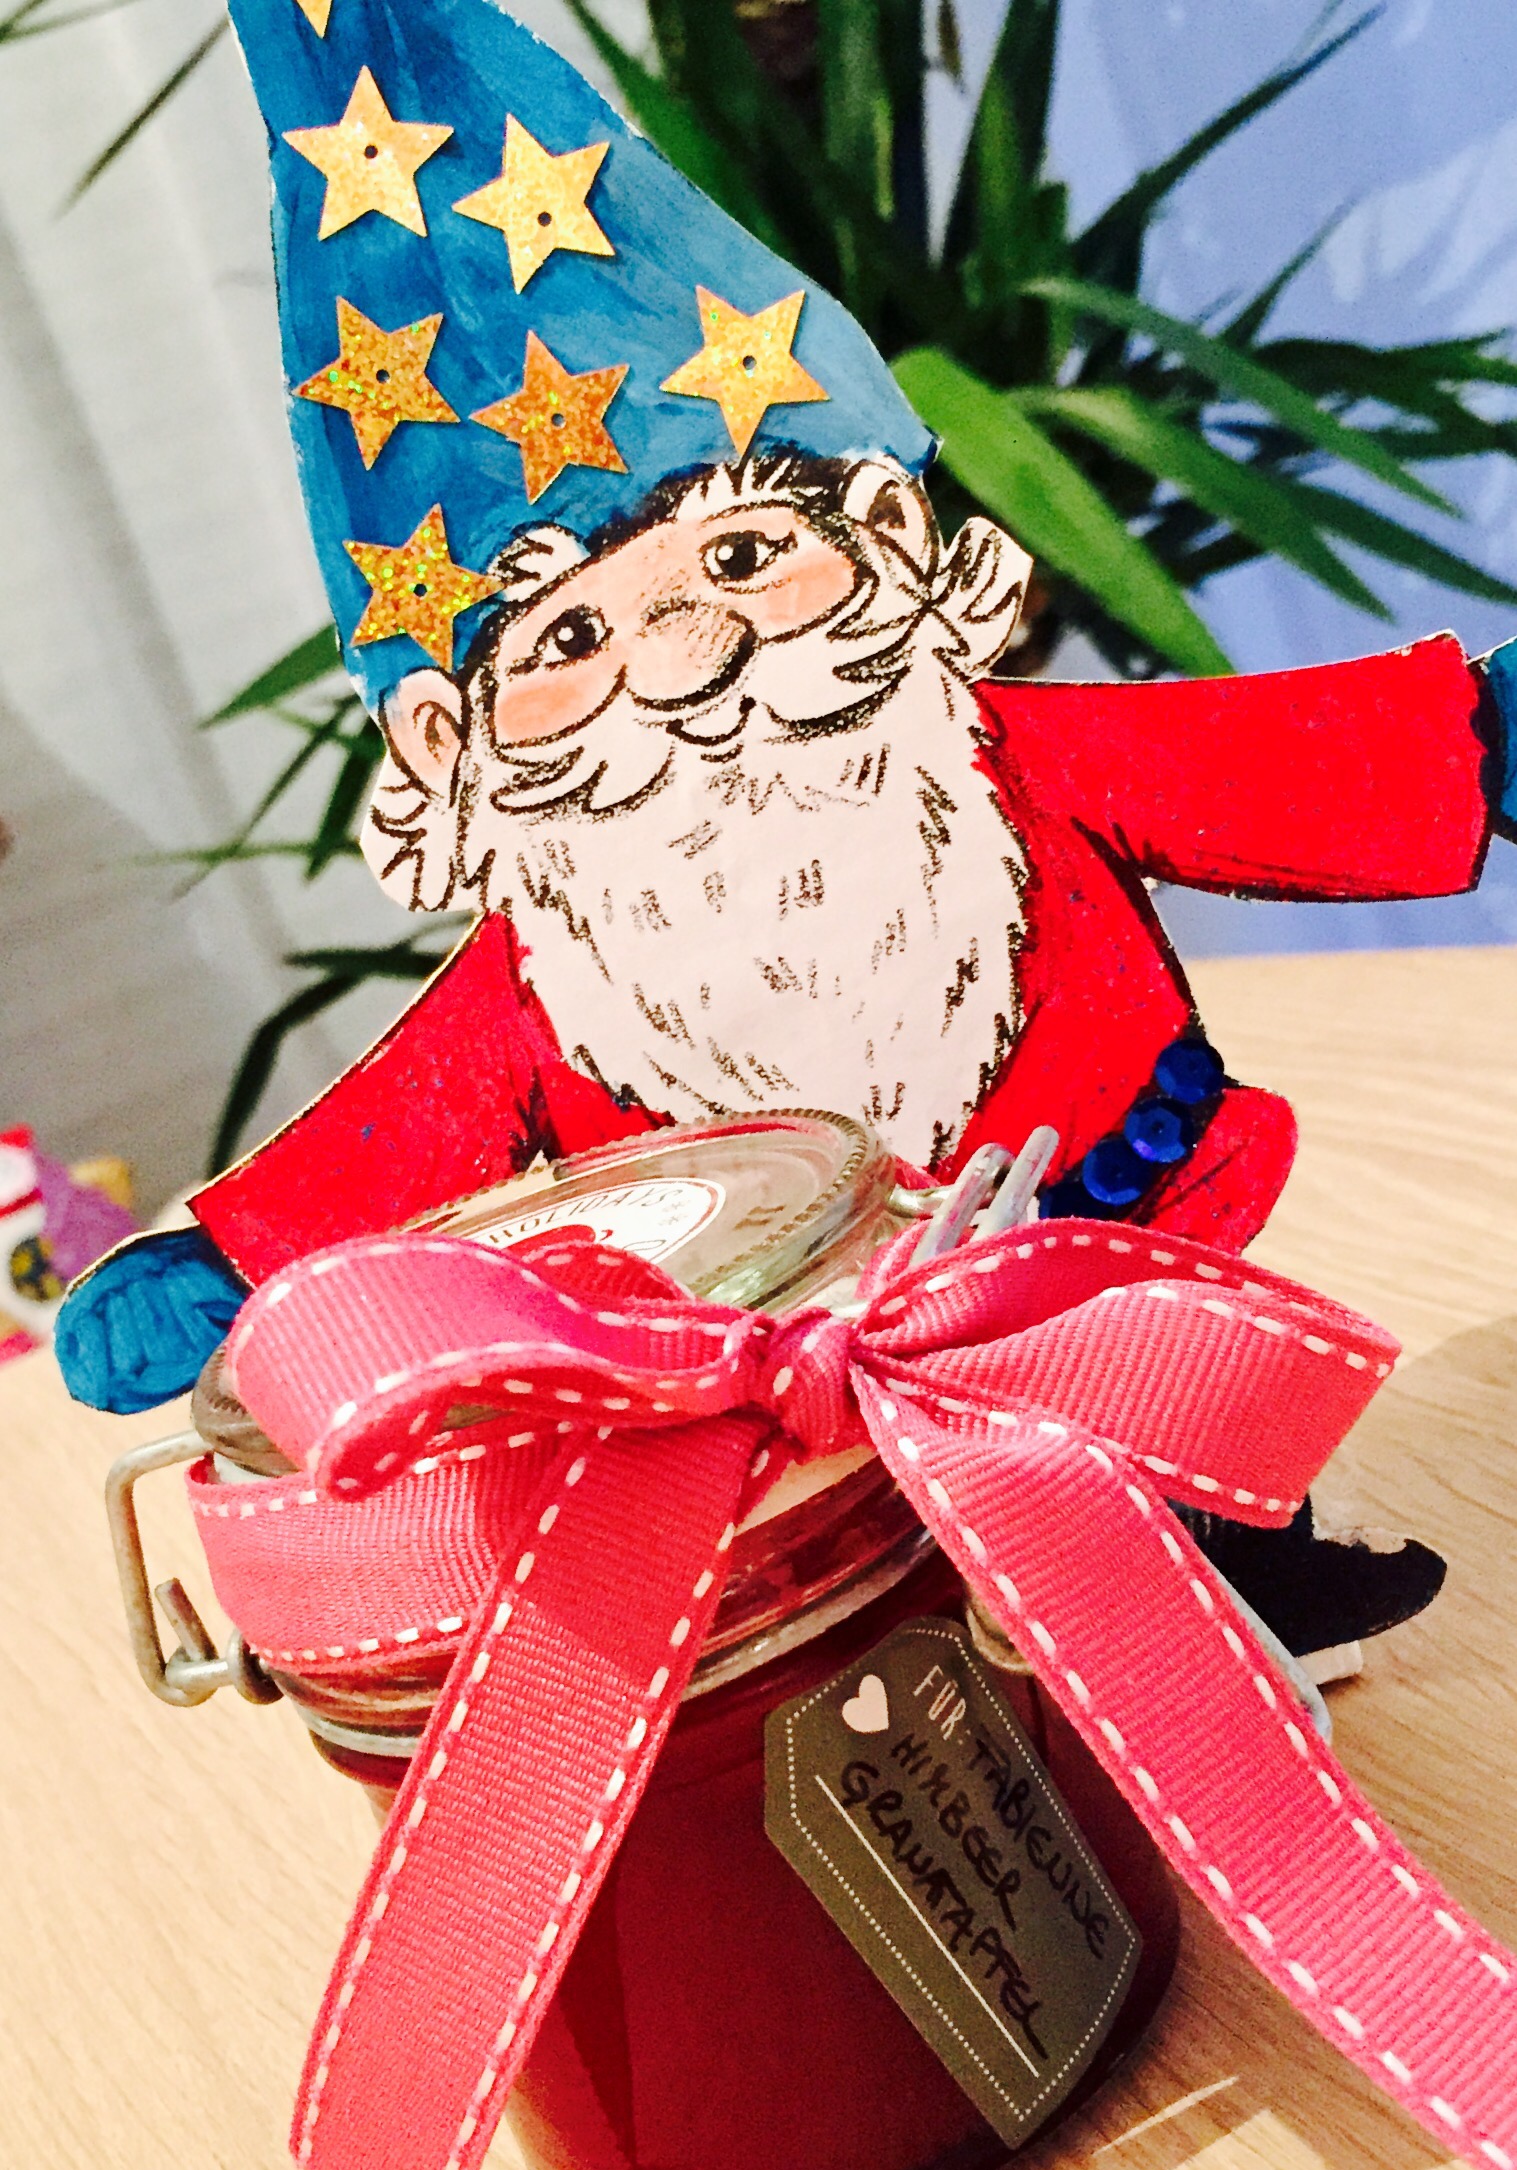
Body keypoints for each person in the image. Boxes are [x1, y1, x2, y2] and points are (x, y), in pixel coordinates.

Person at [55, 0, 1517, 1662]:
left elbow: (1262, 765)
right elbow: (400, 1132)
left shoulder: (1002, 761)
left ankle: (1230, 1605)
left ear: (882, 529)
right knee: (851, 1628)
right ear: (454, 743)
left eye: (742, 561)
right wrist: (234, 1266)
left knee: (1184, 1490)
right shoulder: (549, 980)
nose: (684, 665)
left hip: (1109, 1264)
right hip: (761, 1403)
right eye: (569, 641)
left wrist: (1473, 744)